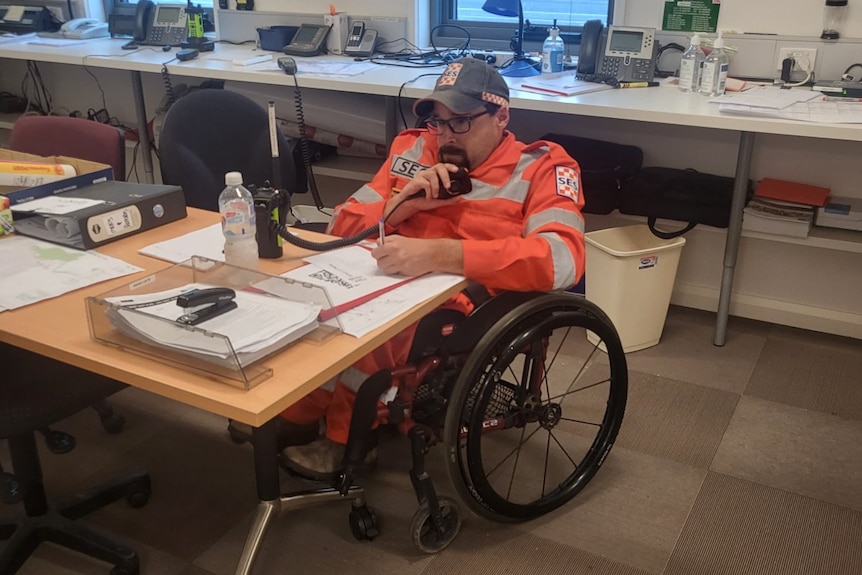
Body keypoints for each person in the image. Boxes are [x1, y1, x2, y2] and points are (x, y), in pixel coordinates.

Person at [279, 57, 587, 480]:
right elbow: (339, 225)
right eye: (438, 123)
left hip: (467, 300)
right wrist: (400, 206)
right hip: (381, 273)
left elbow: (563, 261)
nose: (444, 136)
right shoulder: (412, 149)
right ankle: (294, 414)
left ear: (501, 117)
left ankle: (347, 439)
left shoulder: (543, 167)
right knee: (302, 302)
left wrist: (442, 254)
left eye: (459, 122)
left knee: (374, 330)